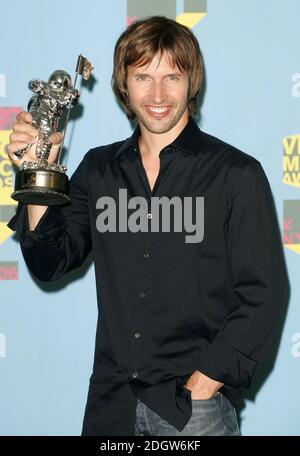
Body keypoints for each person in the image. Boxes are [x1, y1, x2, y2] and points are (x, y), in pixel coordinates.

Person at [7, 16, 289, 436]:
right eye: (143, 77)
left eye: (171, 77)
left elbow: (264, 293)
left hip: (193, 411)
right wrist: (37, 176)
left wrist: (205, 382)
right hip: (111, 405)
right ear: (124, 84)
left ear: (191, 81)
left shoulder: (235, 174)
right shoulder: (98, 170)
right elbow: (50, 262)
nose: (158, 95)